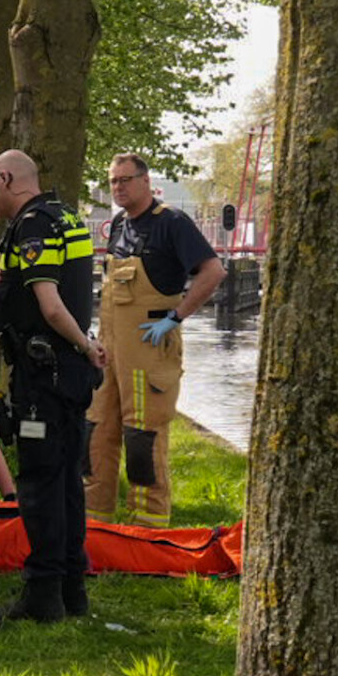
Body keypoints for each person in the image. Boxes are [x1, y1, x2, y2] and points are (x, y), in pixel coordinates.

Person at [0, 149, 105, 622]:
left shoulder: (34, 225)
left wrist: (85, 344)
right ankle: (72, 588)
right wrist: (87, 347)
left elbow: (51, 306)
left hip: (45, 376)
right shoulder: (69, 217)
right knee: (67, 483)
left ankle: (43, 592)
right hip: (70, 373)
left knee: (38, 482)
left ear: (8, 177)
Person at [85, 152, 225, 529]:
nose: (118, 187)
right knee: (97, 431)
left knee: (142, 437)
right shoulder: (117, 225)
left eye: (126, 180)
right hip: (112, 352)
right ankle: (95, 521)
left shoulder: (172, 224)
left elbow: (213, 271)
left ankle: (146, 526)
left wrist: (176, 317)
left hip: (149, 352)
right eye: (113, 181)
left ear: (146, 182)